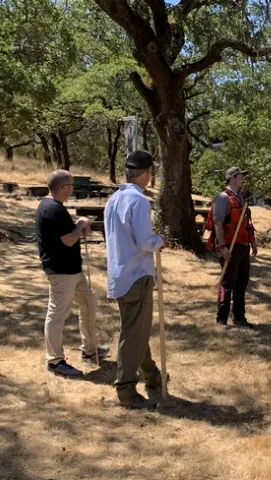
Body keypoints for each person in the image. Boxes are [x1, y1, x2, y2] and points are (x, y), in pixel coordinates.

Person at [105, 150, 165, 409]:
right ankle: (125, 389)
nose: (152, 176)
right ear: (145, 173)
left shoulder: (114, 198)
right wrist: (159, 241)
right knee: (133, 335)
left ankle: (153, 377)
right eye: (151, 171)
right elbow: (144, 242)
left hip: (120, 275)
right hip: (136, 275)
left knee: (136, 331)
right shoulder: (139, 201)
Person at [36, 170, 108, 377]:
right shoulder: (52, 208)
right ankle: (55, 361)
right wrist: (80, 225)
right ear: (63, 187)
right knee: (57, 315)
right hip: (61, 272)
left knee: (89, 304)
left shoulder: (54, 207)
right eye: (72, 185)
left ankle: (90, 350)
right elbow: (68, 239)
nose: (73, 189)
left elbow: (64, 232)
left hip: (72, 271)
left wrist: (78, 224)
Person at [207, 167, 257, 329]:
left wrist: (253, 242)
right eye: (241, 176)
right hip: (229, 246)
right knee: (227, 283)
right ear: (232, 178)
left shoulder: (241, 197)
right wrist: (222, 247)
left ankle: (239, 317)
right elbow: (218, 223)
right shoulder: (223, 198)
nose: (243, 179)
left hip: (243, 246)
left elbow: (246, 222)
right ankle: (221, 319)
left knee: (241, 282)